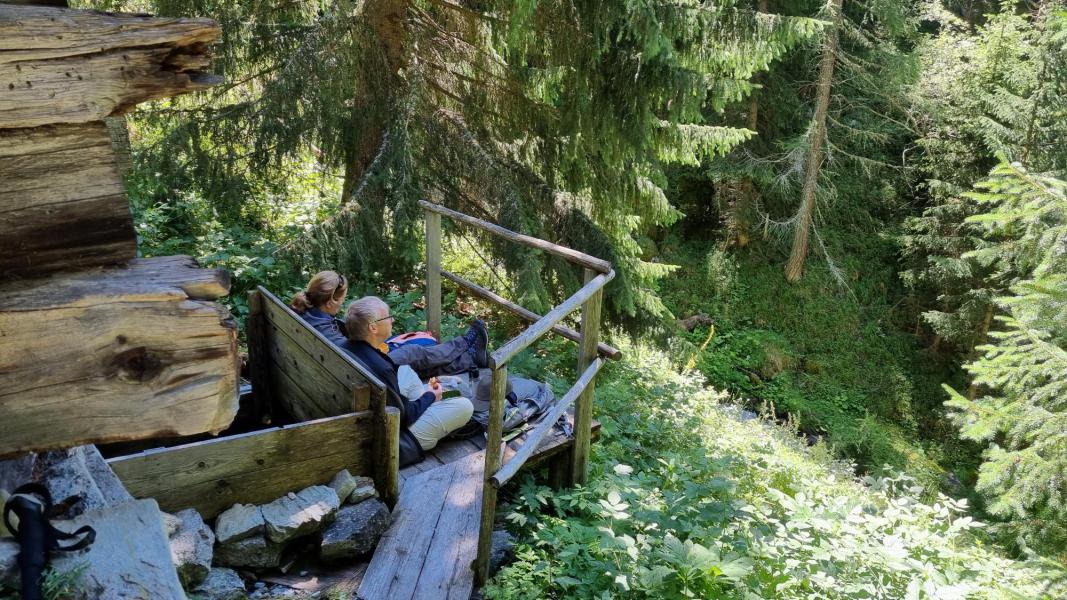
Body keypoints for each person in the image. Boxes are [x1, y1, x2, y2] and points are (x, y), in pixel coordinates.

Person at [341, 296, 476, 466]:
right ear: (373, 327)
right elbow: (403, 417)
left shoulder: (345, 347)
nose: (392, 320)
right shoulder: (381, 368)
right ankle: (431, 403)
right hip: (393, 436)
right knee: (465, 406)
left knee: (404, 368)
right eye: (387, 317)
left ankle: (425, 400)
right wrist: (430, 396)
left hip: (364, 412)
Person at [290, 271, 489, 377]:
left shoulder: (305, 312)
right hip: (359, 373)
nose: (343, 302)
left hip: (340, 371)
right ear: (331, 301)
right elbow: (354, 356)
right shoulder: (323, 327)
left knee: (411, 361)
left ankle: (470, 359)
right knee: (413, 353)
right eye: (342, 298)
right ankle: (465, 343)